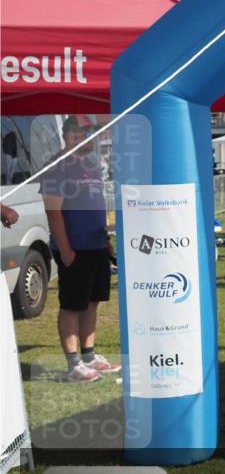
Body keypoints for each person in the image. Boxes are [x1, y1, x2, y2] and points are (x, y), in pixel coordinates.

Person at [40, 116, 121, 382]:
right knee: (72, 305)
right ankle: (74, 365)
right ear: (68, 134)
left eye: (91, 132)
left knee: (91, 302)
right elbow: (53, 212)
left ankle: (89, 356)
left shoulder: (90, 165)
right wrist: (65, 250)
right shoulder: (57, 166)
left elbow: (96, 204)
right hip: (75, 247)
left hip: (96, 245)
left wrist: (106, 240)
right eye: (82, 131)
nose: (89, 136)